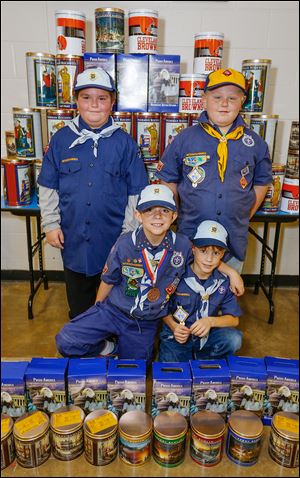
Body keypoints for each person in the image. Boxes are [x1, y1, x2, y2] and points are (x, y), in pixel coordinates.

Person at [38, 67, 148, 319]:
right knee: (79, 306)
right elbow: (48, 185)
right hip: (73, 239)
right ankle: (83, 342)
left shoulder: (125, 143)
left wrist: (128, 234)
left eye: (102, 98)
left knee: (114, 304)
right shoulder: (61, 140)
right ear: (76, 100)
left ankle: (110, 343)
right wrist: (51, 223)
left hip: (112, 241)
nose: (94, 105)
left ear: (112, 102)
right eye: (86, 97)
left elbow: (136, 192)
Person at [55, 184, 192, 361]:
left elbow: (205, 261)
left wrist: (231, 273)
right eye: (149, 210)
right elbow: (108, 280)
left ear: (174, 216)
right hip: (114, 311)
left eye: (164, 211)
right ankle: (109, 348)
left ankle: (125, 350)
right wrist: (97, 310)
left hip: (144, 322)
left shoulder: (183, 246)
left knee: (135, 370)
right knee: (66, 340)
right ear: (138, 215)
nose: (157, 216)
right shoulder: (124, 244)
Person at [156, 67, 272, 273]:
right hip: (191, 236)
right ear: (204, 99)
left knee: (225, 295)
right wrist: (177, 213)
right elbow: (168, 180)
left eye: (232, 98)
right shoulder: (185, 139)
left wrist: (244, 214)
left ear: (242, 101)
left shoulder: (255, 143)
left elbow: (262, 182)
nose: (224, 103)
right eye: (217, 96)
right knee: (185, 295)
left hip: (232, 240)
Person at [159, 220, 243, 362]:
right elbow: (160, 307)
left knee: (234, 339)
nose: (209, 259)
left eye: (216, 253)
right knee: (171, 375)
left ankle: (202, 358)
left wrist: (210, 322)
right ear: (193, 249)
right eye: (203, 251)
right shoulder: (177, 275)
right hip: (177, 335)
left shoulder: (223, 282)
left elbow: (234, 320)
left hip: (206, 335)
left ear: (222, 254)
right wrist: (173, 326)